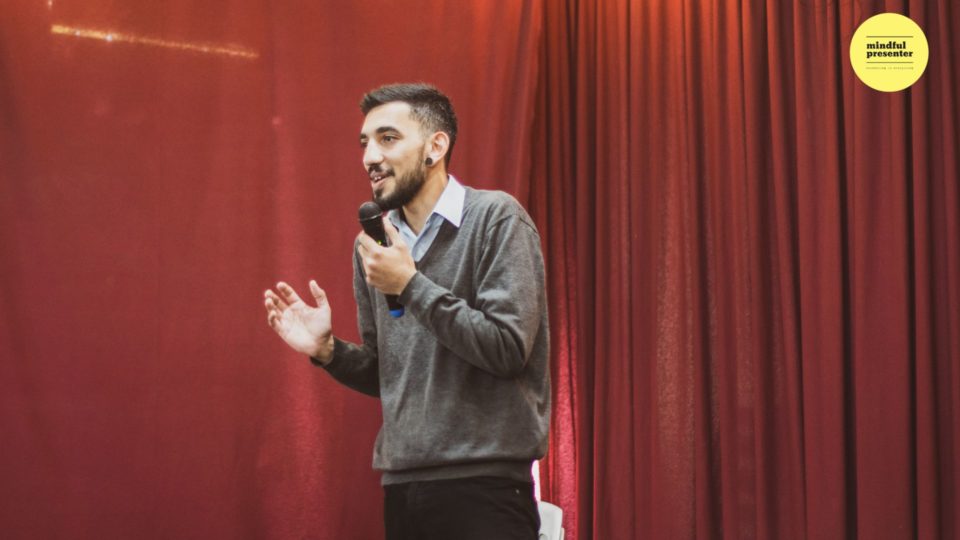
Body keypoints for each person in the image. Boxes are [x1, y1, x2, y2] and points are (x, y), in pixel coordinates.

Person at [263, 83, 550, 540]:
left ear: (436, 146)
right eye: (364, 142)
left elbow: (508, 348)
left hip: (486, 490)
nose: (369, 157)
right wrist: (328, 351)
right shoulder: (374, 248)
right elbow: (387, 371)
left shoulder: (497, 219)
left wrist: (411, 285)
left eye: (388, 138)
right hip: (404, 489)